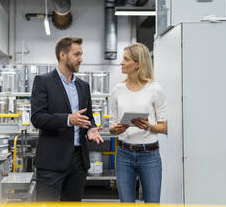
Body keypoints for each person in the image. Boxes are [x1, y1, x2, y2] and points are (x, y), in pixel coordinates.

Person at [31, 36, 104, 202]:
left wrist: (91, 128)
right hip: (52, 161)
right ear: (62, 55)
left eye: (81, 54)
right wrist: (68, 119)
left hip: (78, 161)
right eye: (76, 54)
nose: (81, 59)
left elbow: (88, 117)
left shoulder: (83, 86)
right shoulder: (43, 81)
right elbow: (37, 118)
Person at [109, 42, 167, 203]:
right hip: (124, 154)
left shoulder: (155, 89)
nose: (122, 62)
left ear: (138, 64)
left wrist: (149, 126)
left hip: (150, 154)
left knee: (152, 203)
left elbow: (163, 127)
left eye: (126, 59)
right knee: (126, 203)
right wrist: (117, 129)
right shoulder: (117, 90)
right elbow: (112, 127)